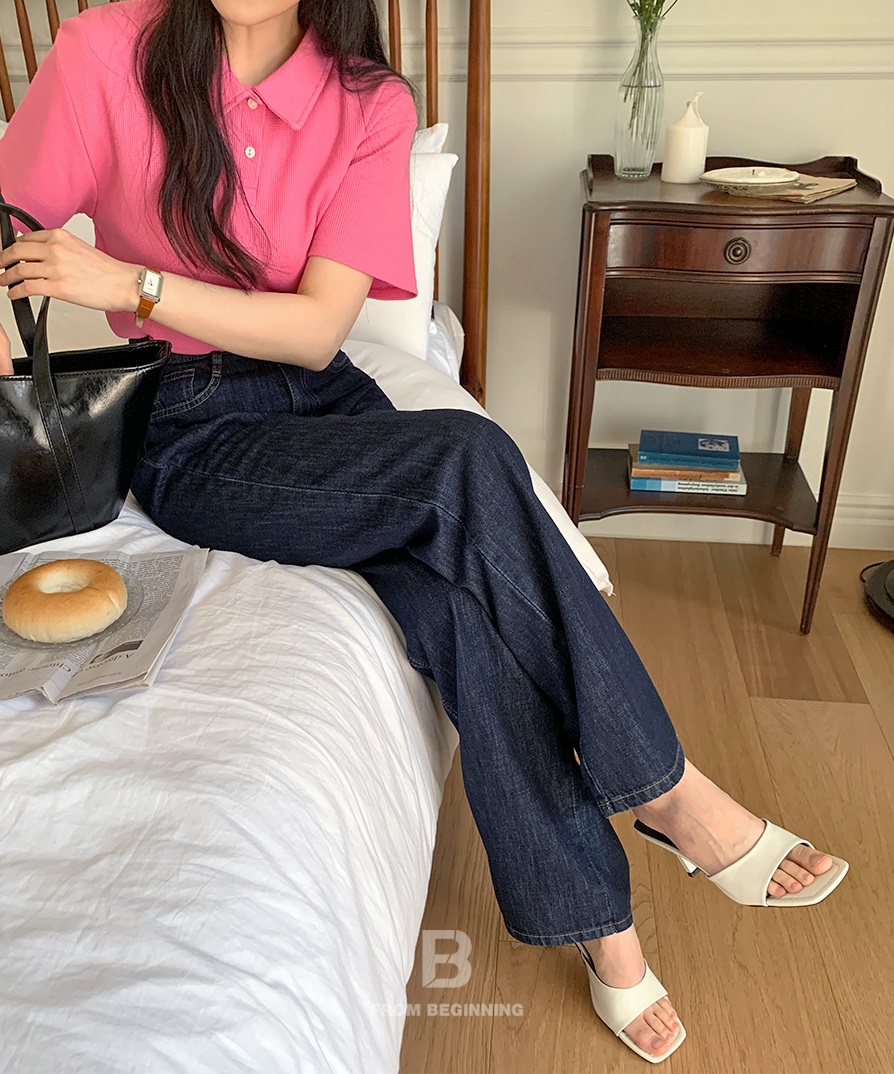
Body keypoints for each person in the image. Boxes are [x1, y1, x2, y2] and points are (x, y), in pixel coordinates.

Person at [0, 0, 847, 1063]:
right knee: (467, 457)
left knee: (457, 603)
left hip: (327, 396)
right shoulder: (107, 51)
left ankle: (602, 925)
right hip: (187, 425)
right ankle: (670, 791)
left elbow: (317, 334)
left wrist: (129, 282)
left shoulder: (368, 102)